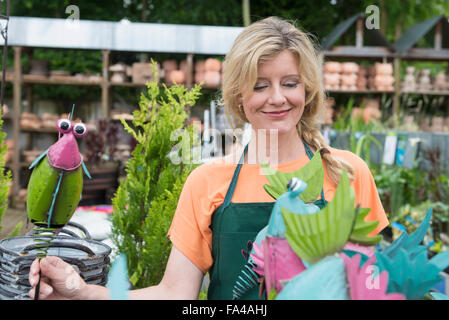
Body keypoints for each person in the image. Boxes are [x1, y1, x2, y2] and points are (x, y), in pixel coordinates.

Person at [28, 16, 388, 300]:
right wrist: (82, 291)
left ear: (308, 90)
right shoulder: (208, 182)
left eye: (290, 83)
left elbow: (374, 284)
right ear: (238, 95)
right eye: (260, 85)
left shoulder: (347, 172)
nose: (277, 98)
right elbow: (174, 294)